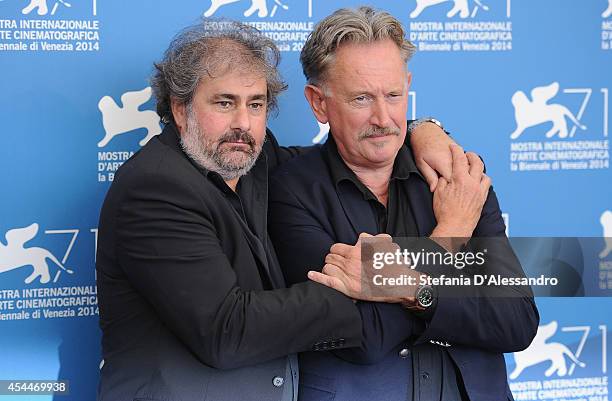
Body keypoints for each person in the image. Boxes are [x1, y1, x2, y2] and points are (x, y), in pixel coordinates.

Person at [95, 18, 464, 401]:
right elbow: (228, 333)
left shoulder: (251, 159)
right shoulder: (156, 188)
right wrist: (383, 283)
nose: (243, 123)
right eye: (224, 103)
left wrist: (424, 129)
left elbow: (354, 151)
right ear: (180, 108)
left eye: (255, 104)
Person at [268, 6, 539, 401]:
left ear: (408, 85)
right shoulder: (292, 191)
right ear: (318, 102)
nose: (383, 118)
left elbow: (517, 321)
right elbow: (364, 337)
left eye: (393, 95)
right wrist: (451, 234)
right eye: (361, 98)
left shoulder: (458, 177)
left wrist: (406, 288)